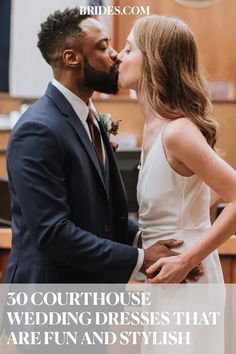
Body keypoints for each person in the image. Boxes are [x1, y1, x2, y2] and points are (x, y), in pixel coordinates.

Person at [5, 9, 189, 284]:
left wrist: (142, 238)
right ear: (71, 58)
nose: (115, 54)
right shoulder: (38, 129)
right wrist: (141, 258)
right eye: (103, 47)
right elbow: (53, 233)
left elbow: (98, 215)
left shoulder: (90, 118)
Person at [117, 15, 236, 283]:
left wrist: (186, 259)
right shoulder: (153, 129)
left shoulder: (178, 132)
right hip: (164, 273)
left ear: (153, 59)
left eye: (128, 49)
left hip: (188, 276)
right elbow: (200, 193)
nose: (119, 57)